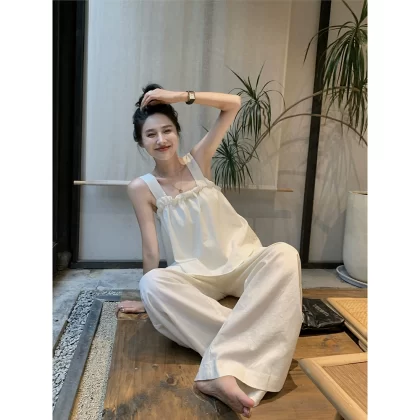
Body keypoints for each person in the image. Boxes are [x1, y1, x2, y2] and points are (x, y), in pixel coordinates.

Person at [116, 83, 302, 418]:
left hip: (242, 261)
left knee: (285, 254)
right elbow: (150, 248)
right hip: (195, 275)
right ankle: (264, 337)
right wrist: (148, 301)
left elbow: (233, 104)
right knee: (152, 283)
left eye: (167, 130)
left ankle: (221, 366)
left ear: (177, 132)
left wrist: (179, 96)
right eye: (151, 134)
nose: (161, 140)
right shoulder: (141, 188)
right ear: (141, 142)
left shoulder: (199, 160)